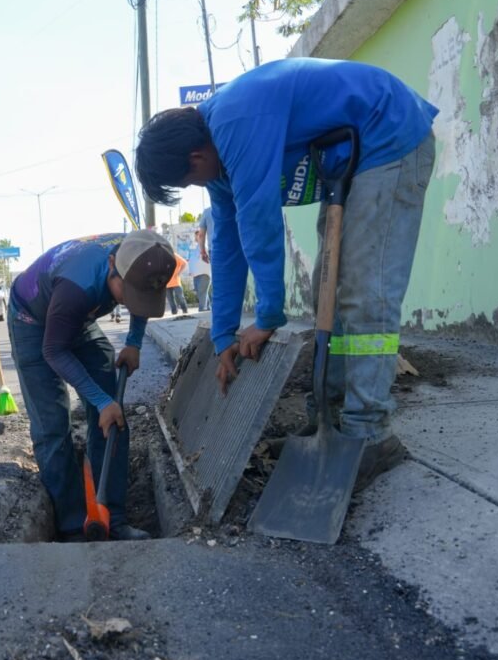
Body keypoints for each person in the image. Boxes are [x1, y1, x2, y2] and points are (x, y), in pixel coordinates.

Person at [134, 58, 438, 493]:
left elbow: (260, 224)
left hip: (388, 137)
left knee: (365, 292)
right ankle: (329, 420)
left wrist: (268, 317)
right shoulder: (216, 162)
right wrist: (223, 338)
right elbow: (228, 247)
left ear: (196, 156)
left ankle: (370, 432)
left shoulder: (236, 123)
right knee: (329, 292)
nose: (198, 186)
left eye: (190, 179)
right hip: (353, 154)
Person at [7, 231, 177, 542]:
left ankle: (113, 517)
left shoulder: (144, 255)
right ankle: (72, 526)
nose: (128, 303)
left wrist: (134, 343)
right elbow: (54, 350)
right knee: (52, 427)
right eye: (126, 294)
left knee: (114, 418)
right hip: (31, 319)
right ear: (113, 264)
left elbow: (141, 298)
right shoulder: (78, 285)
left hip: (79, 318)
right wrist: (100, 400)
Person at [193, 207, 213, 310]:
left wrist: (203, 253)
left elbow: (201, 235)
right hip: (235, 249)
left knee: (203, 291)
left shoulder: (207, 211)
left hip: (215, 250)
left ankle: (203, 310)